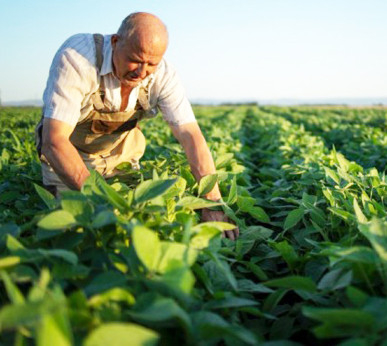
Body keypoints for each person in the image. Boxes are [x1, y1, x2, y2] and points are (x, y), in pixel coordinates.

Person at [35, 12, 239, 240]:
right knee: (77, 231)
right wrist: (105, 202)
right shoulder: (77, 58)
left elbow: (190, 135)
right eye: (135, 59)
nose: (142, 72)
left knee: (142, 227)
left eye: (151, 64)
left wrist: (210, 202)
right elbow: (54, 142)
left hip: (121, 158)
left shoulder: (164, 75)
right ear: (115, 42)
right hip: (69, 159)